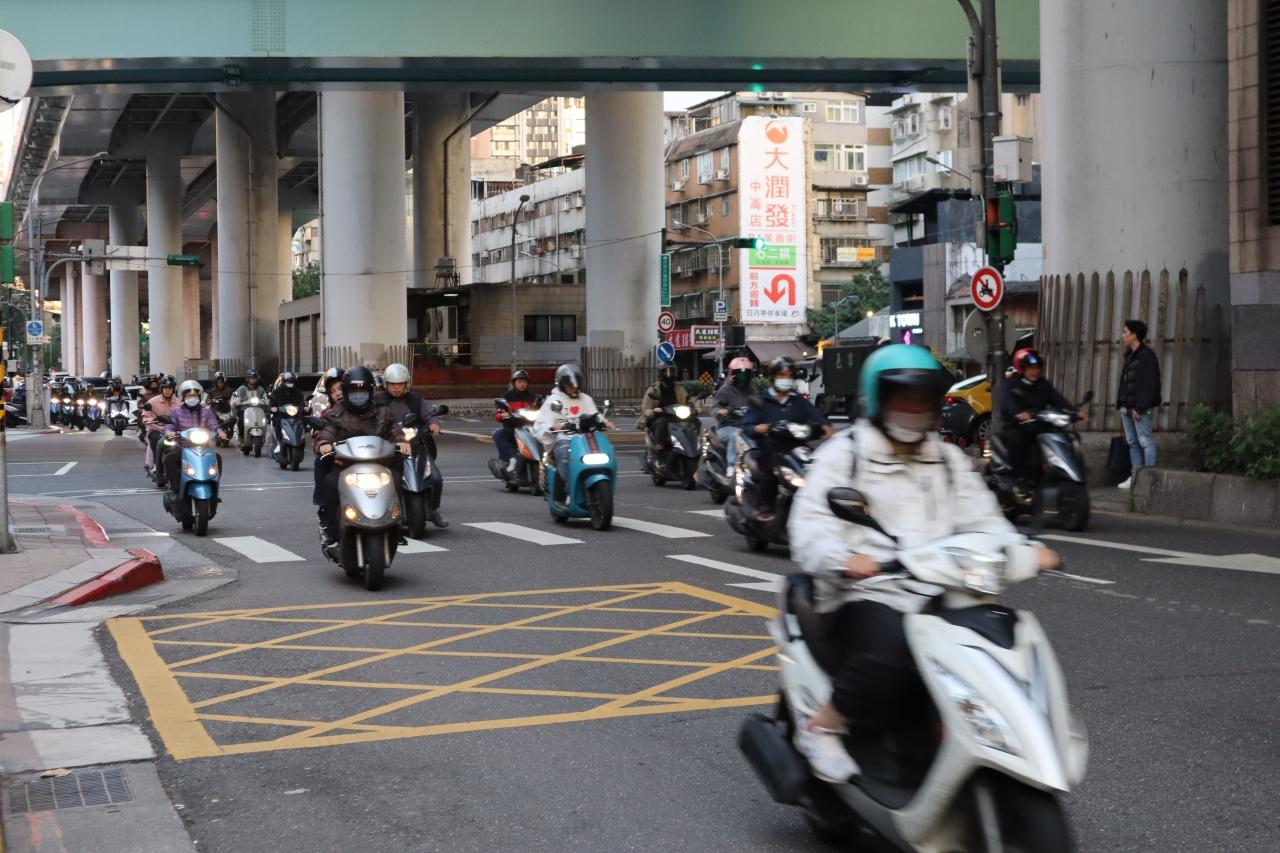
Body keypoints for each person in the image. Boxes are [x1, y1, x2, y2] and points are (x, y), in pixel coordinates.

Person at [787, 344, 1062, 781]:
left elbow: (984, 520)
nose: (914, 409)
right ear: (879, 400)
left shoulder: (948, 460)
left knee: (1003, 642)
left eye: (923, 399)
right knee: (891, 650)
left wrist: (1023, 549)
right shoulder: (846, 454)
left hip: (942, 590)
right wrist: (844, 558)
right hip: (866, 592)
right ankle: (823, 726)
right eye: (904, 398)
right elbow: (811, 523)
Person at [314, 367, 405, 547]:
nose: (358, 396)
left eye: (362, 391)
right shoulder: (336, 414)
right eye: (353, 392)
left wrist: (402, 442)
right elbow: (327, 432)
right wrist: (324, 443)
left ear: (370, 392)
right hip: (346, 467)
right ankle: (332, 530)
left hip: (379, 465)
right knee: (331, 482)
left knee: (396, 478)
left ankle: (397, 525)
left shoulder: (383, 412)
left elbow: (395, 430)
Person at [742, 356, 833, 521]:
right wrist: (759, 428)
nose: (786, 379)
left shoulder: (798, 401)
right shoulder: (761, 400)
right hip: (770, 450)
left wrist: (826, 427)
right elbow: (747, 426)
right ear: (773, 377)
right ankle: (764, 506)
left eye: (789, 376)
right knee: (769, 472)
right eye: (782, 375)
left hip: (796, 449)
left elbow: (816, 416)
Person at [997, 348, 1087, 490]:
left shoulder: (1043, 384)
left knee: (1066, 438)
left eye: (1037, 368)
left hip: (1040, 424)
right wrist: (1018, 414)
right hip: (1017, 426)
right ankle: (1019, 477)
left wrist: (1075, 412)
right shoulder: (1010, 384)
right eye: (1031, 368)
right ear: (1022, 369)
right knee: (1017, 439)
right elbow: (1008, 404)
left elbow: (1058, 400)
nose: (1035, 371)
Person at [531, 363, 614, 506]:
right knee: (565, 456)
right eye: (568, 385)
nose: (572, 387)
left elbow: (594, 415)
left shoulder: (586, 399)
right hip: (564, 439)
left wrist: (604, 422)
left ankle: (601, 486)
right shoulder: (553, 401)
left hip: (586, 439)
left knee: (606, 453)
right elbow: (541, 423)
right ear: (562, 384)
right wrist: (552, 426)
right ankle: (569, 492)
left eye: (574, 384)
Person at [381, 362, 448, 529]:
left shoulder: (415, 400)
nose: (396, 387)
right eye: (392, 384)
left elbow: (428, 414)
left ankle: (433, 510)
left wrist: (433, 423)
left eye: (400, 384)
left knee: (436, 478)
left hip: (416, 445)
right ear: (386, 384)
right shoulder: (379, 402)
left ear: (406, 384)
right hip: (390, 448)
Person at [161, 380, 226, 498]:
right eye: (189, 396)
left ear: (199, 396)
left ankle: (213, 488)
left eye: (194, 396)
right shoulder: (176, 412)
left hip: (204, 448)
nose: (192, 398)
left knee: (217, 458)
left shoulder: (206, 412)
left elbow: (214, 425)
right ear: (183, 397)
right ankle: (176, 490)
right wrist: (169, 432)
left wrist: (220, 432)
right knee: (170, 459)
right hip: (183, 448)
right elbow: (169, 425)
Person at [1116, 319, 1161, 489]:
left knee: (1145, 441)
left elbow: (1150, 384)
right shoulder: (1129, 355)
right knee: (1133, 443)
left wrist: (1140, 407)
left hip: (1138, 408)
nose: (1122, 335)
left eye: (1125, 332)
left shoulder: (1147, 356)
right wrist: (1121, 404)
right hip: (1127, 407)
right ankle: (1136, 477)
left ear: (1134, 335)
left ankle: (1148, 478)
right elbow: (1126, 382)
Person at [637, 365, 690, 465]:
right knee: (662, 422)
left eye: (671, 371)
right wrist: (653, 411)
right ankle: (660, 452)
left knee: (694, 421)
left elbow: (687, 401)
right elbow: (645, 408)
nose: (669, 375)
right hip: (657, 418)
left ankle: (693, 447)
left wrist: (694, 408)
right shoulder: (654, 389)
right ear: (660, 373)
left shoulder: (679, 388)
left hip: (676, 417)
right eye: (666, 372)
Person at [491, 369, 539, 474]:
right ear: (514, 383)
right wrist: (504, 415)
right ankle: (510, 458)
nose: (522, 384)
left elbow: (541, 410)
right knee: (498, 434)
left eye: (524, 381)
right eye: (519, 381)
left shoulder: (533, 397)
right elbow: (498, 415)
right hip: (512, 429)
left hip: (530, 429)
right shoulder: (506, 397)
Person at [712, 357, 755, 466]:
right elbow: (715, 407)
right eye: (740, 374)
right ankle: (731, 467)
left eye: (746, 374)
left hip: (748, 426)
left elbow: (760, 403)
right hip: (727, 426)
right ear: (732, 374)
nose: (743, 377)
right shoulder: (725, 389)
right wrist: (721, 411)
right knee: (735, 436)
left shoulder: (752, 389)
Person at [141, 376, 180, 472]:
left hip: (173, 430)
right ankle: (156, 464)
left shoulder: (178, 402)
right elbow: (145, 417)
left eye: (170, 388)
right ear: (161, 389)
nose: (167, 390)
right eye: (165, 388)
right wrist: (149, 419)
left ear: (173, 389)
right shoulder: (152, 401)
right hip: (157, 429)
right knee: (155, 439)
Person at [268, 370, 309, 444]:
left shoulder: (298, 393)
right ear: (284, 382)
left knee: (304, 421)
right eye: (288, 382)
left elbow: (302, 403)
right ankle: (279, 442)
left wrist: (305, 408)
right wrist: (273, 408)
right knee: (277, 421)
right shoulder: (276, 392)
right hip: (281, 415)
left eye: (292, 382)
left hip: (295, 416)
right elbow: (272, 403)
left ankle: (301, 440)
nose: (290, 383)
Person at [232, 368, 266, 440]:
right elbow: (235, 395)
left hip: (258, 409)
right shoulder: (242, 388)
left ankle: (262, 436)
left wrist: (265, 400)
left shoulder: (260, 389)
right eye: (251, 378)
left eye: (254, 378)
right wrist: (237, 400)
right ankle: (241, 436)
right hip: (245, 410)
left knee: (264, 420)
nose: (253, 380)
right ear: (247, 379)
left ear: (257, 379)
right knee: (241, 420)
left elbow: (265, 396)